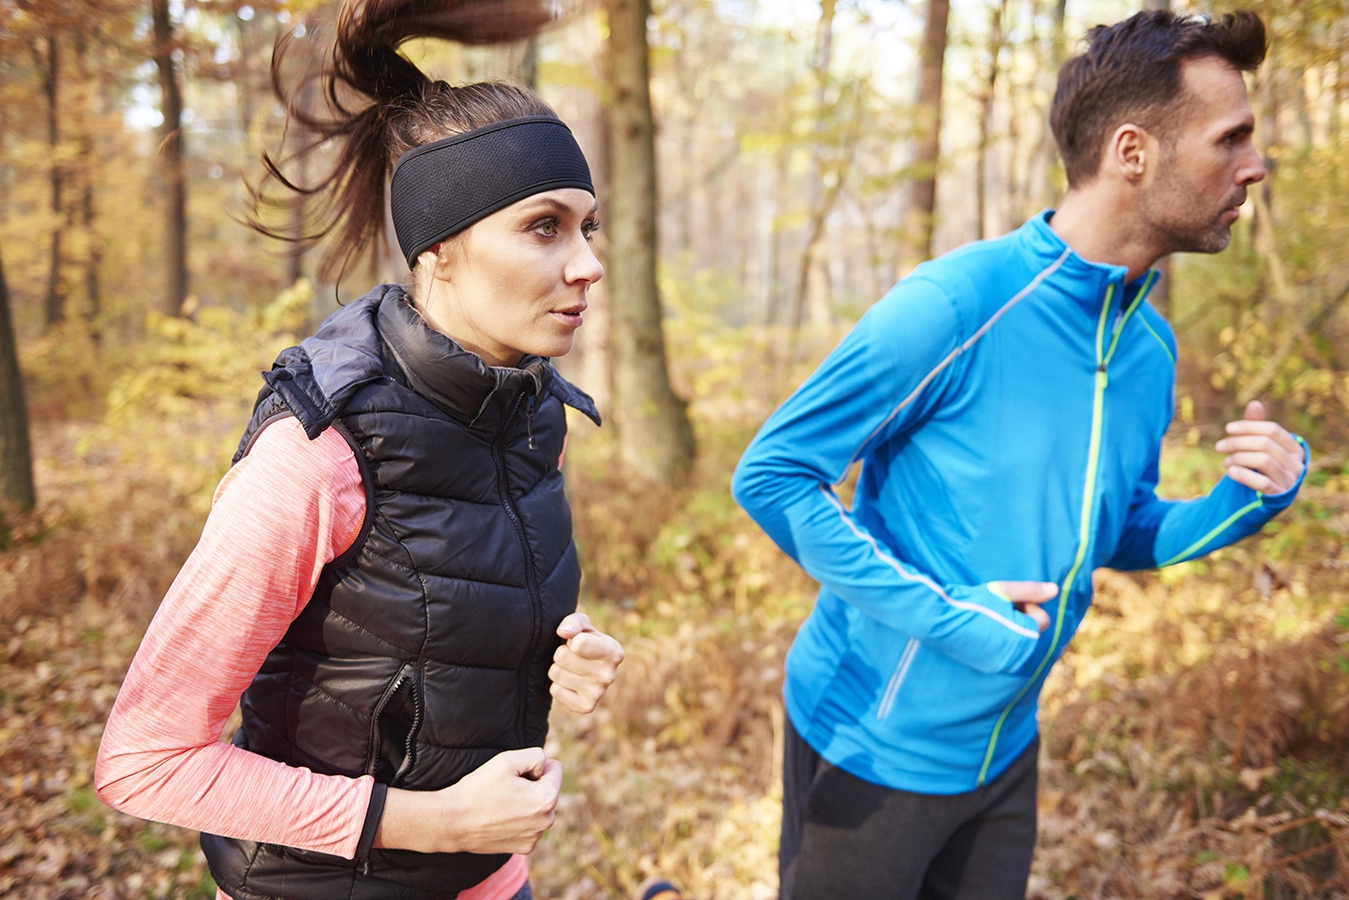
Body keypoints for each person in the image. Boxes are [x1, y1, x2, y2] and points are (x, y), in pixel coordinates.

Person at [731, 10, 1307, 900]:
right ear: (1132, 152)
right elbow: (772, 474)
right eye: (1230, 138)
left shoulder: (1148, 350)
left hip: (1005, 755)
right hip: (871, 741)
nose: (1254, 165)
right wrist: (958, 621)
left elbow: (1110, 529)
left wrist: (1246, 500)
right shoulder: (960, 303)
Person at [94, 2, 625, 899]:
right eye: (544, 227)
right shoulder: (318, 452)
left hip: (489, 881)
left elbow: (420, 639)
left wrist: (557, 660)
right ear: (440, 250)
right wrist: (425, 821)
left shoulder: (535, 419)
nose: (586, 265)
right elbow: (143, 761)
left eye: (587, 227)